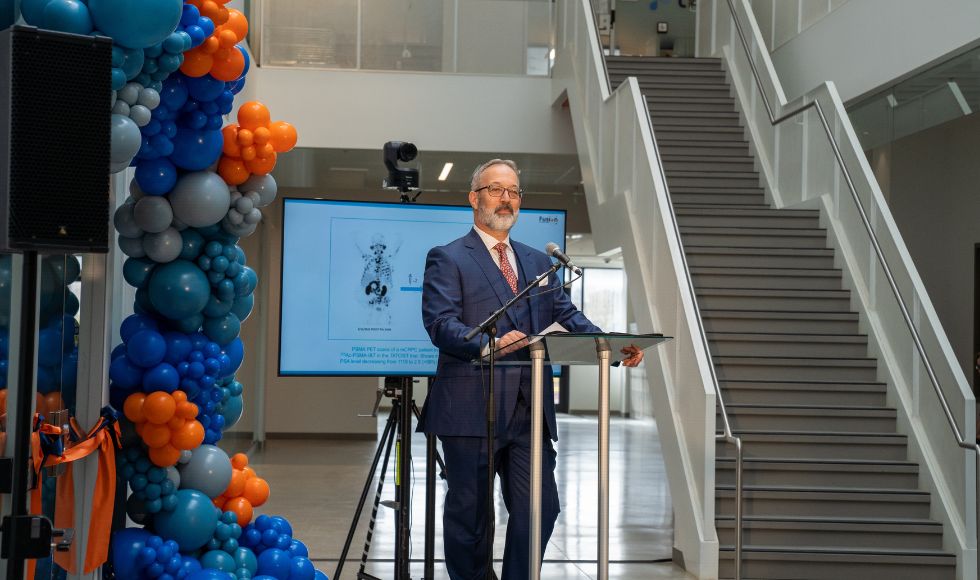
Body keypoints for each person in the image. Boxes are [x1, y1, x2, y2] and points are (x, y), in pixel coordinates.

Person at [417, 159, 644, 580]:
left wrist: (610, 347)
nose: (506, 199)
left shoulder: (541, 263)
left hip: (530, 411)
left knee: (541, 506)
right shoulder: (448, 257)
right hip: (471, 407)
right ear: (474, 197)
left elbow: (569, 317)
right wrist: (488, 345)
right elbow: (440, 323)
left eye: (514, 192)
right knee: (470, 515)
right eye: (496, 189)